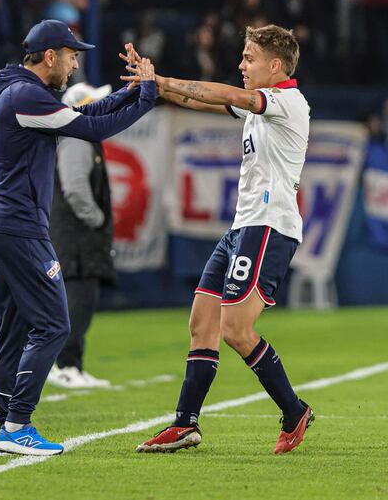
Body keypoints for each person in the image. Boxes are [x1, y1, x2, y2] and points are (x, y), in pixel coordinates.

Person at [120, 24, 314, 455]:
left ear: (275, 66)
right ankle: (185, 424)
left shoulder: (288, 102)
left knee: (236, 329)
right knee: (202, 323)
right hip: (241, 228)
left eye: (249, 58)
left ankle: (293, 410)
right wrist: (153, 82)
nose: (241, 65)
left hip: (269, 227)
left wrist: (163, 81)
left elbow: (227, 94)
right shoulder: (259, 109)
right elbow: (195, 99)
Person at [0, 19, 157, 456]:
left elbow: (85, 115)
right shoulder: (24, 95)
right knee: (55, 324)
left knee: (14, 331)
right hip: (19, 228)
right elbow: (92, 129)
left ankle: (8, 425)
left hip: (0, 225)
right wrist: (148, 95)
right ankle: (17, 425)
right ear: (51, 56)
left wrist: (132, 91)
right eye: (72, 55)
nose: (76, 64)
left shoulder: (24, 93)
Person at [47, 82, 117, 389]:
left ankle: (71, 363)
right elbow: (75, 188)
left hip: (75, 236)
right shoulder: (76, 138)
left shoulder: (82, 138)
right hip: (75, 237)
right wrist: (97, 218)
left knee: (81, 300)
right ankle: (66, 365)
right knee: (76, 301)